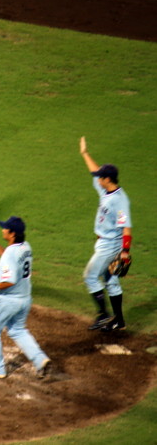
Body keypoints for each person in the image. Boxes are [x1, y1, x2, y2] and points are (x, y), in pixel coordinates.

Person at [0, 216, 51, 379]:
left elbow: (9, 281)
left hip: (8, 300)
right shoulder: (25, 247)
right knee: (18, 330)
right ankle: (40, 360)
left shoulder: (10, 254)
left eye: (5, 228)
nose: (3, 230)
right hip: (25, 299)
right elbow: (10, 259)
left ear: (12, 234)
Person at [79, 137, 132, 332]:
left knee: (90, 277)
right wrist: (85, 153)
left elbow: (126, 228)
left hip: (110, 245)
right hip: (104, 242)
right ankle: (119, 321)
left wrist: (125, 251)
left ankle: (103, 315)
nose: (98, 179)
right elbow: (94, 171)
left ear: (108, 179)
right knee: (111, 280)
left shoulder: (120, 201)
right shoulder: (105, 190)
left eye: (101, 177)